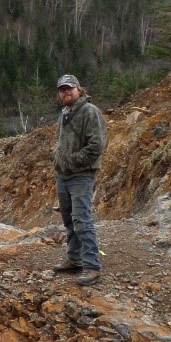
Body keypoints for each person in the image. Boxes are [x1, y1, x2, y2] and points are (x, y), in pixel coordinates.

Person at [51, 74, 107, 286]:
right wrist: (56, 158)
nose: (66, 92)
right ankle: (74, 258)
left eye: (69, 88)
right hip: (63, 175)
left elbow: (96, 146)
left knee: (82, 220)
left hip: (81, 175)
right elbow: (61, 142)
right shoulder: (65, 113)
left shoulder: (90, 112)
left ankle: (92, 266)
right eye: (62, 89)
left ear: (78, 89)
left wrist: (72, 161)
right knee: (68, 219)